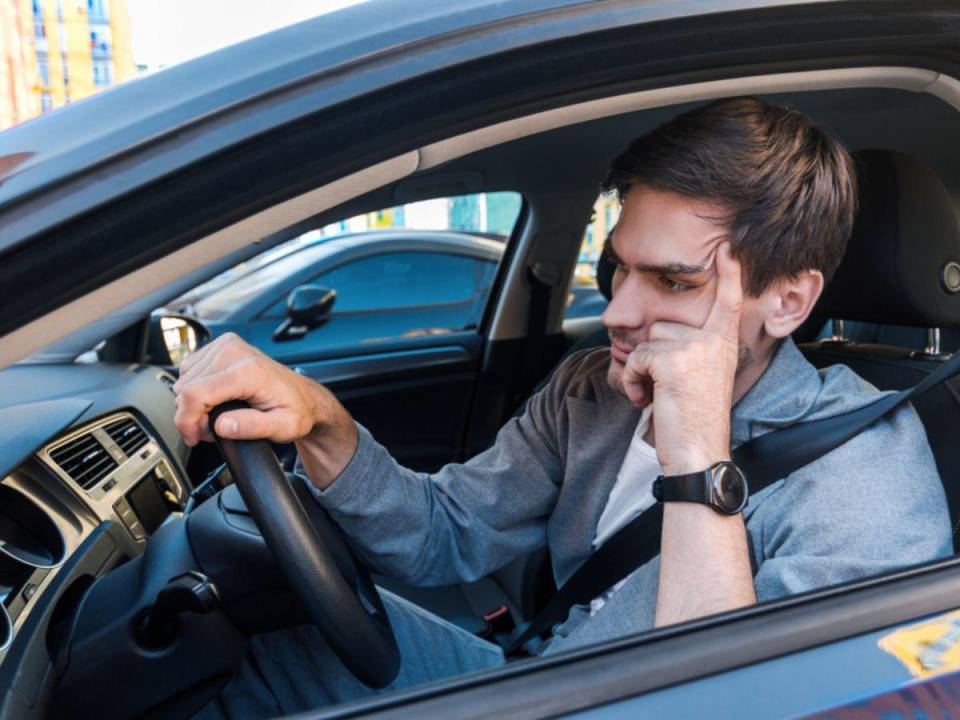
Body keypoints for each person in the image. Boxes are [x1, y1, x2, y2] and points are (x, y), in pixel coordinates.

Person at [178, 97, 952, 717]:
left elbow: (729, 699)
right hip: (544, 674)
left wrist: (696, 448)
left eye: (674, 282)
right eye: (617, 268)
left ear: (787, 301)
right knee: (258, 638)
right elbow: (444, 538)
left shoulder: (864, 466)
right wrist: (323, 421)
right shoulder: (592, 389)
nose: (617, 311)